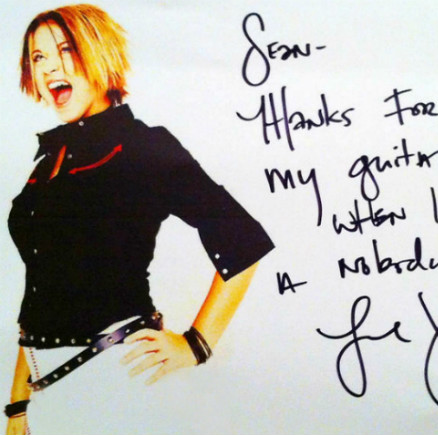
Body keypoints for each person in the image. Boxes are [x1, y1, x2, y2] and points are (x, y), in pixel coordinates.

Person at [5, 5, 274, 435]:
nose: (50, 67)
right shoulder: (48, 163)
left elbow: (243, 239)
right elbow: (40, 287)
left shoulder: (142, 146)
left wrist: (196, 344)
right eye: (38, 57)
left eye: (66, 49)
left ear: (99, 53)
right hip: (48, 391)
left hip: (116, 376)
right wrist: (17, 406)